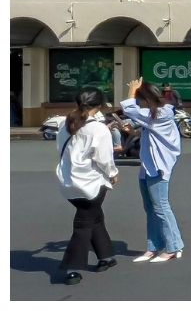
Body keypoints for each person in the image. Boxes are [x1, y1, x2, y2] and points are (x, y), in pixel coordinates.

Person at [54, 88, 119, 285]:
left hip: (68, 182)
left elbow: (61, 151)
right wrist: (113, 173)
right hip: (92, 183)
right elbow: (104, 158)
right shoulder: (99, 129)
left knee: (94, 217)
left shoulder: (65, 125)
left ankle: (105, 257)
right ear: (99, 106)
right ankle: (72, 268)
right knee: (84, 224)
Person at [120, 77, 184, 263]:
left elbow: (130, 109)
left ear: (146, 100)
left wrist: (132, 91)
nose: (139, 104)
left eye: (140, 100)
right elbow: (150, 130)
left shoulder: (163, 113)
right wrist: (133, 132)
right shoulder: (156, 115)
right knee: (150, 208)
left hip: (158, 167)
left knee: (161, 206)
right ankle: (153, 246)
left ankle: (173, 246)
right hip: (148, 166)